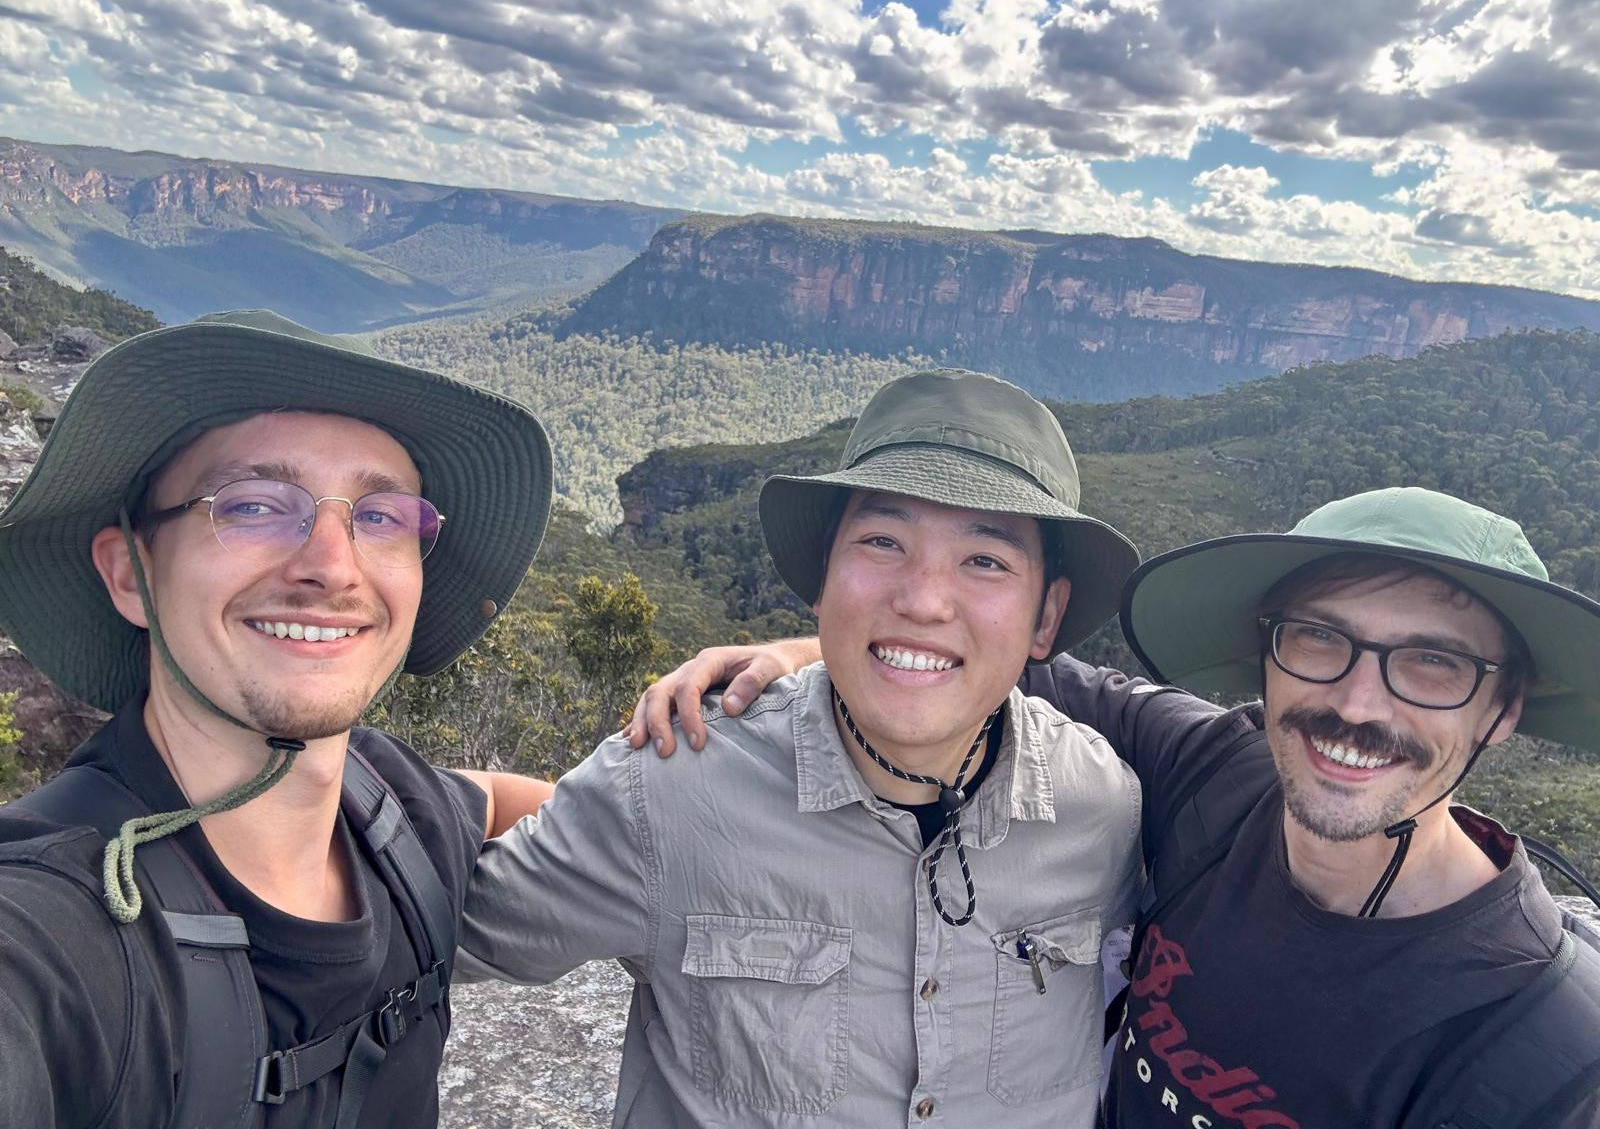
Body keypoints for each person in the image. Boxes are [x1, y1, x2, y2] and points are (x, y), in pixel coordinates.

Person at [631, 486, 1600, 1127]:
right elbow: (1007, 666)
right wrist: (808, 654)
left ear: (1504, 708)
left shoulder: (1536, 1043)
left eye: (1432, 663)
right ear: (1264, 657)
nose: (1355, 704)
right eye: (1318, 639)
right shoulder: (1214, 780)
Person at [458, 368, 1145, 1126]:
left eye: (985, 560)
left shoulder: (1104, 808)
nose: (922, 600)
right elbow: (423, 928)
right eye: (883, 542)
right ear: (822, 579)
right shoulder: (672, 789)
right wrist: (420, 792)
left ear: (1046, 617)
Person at [0, 310, 559, 1128]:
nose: (332, 567)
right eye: (254, 505)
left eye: (381, 516)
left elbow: (511, 803)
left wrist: (765, 682)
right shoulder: (54, 933)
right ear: (129, 574)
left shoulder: (394, 806)